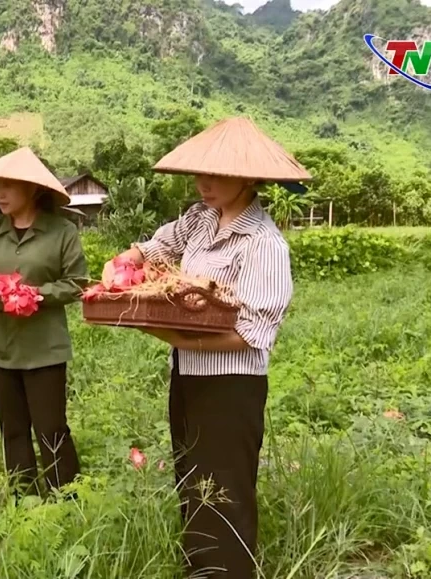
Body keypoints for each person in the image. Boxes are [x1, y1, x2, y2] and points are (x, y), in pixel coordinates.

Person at [104, 117, 307, 577]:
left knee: (226, 491)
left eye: (216, 175)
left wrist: (170, 333)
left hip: (231, 385)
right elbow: (161, 244)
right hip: (188, 375)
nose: (204, 184)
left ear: (248, 178)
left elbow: (251, 333)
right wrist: (128, 261)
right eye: (200, 174)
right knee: (192, 483)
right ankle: (200, 569)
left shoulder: (263, 244)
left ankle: (230, 571)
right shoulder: (200, 219)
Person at [0, 147, 88, 498]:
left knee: (51, 427)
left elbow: (78, 283)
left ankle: (66, 496)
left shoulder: (61, 232)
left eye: (8, 187)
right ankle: (24, 497)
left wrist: (37, 295)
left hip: (44, 348)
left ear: (32, 189)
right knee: (12, 428)